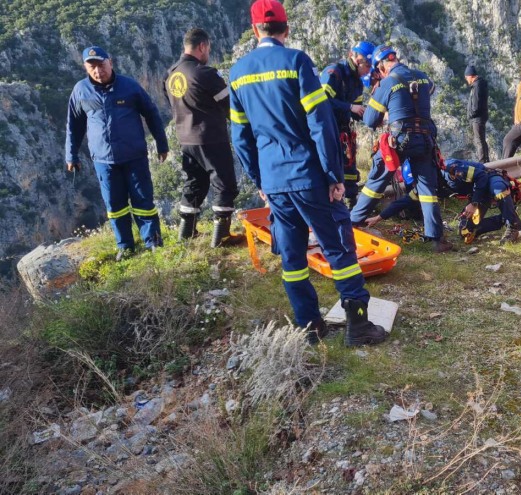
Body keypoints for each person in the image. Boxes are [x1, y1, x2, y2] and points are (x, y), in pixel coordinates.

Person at [228, 0, 386, 347]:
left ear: (255, 31)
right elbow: (320, 123)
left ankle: (309, 326)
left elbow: (241, 139)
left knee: (293, 257)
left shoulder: (238, 73)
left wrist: (261, 182)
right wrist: (334, 176)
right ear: (286, 30)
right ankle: (357, 326)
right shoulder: (296, 61)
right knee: (339, 248)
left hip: (274, 179)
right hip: (308, 174)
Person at [65, 46, 168, 261]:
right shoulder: (80, 91)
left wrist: (161, 143)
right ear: (85, 67)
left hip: (134, 156)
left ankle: (153, 241)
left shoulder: (129, 86)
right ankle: (125, 246)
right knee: (115, 206)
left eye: (101, 65)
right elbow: (73, 126)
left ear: (110, 62)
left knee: (143, 201)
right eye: (91, 66)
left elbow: (151, 113)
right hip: (104, 161)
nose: (97, 71)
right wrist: (71, 155)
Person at [350, 44, 453, 253]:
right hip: (426, 138)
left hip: (400, 138)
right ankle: (437, 239)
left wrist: (386, 108)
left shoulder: (388, 82)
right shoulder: (423, 77)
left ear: (381, 67)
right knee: (426, 188)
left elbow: (370, 120)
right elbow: (428, 90)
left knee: (377, 178)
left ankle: (353, 221)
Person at [164, 28, 240, 247]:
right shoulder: (204, 73)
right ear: (202, 46)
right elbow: (230, 108)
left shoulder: (171, 74)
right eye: (208, 48)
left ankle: (186, 235)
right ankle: (221, 238)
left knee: (194, 183)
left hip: (185, 139)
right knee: (224, 184)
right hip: (210, 137)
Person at [320, 41, 374, 209]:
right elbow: (322, 101)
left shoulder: (357, 82)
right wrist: (350, 107)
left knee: (349, 168)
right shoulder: (334, 73)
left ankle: (351, 204)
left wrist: (371, 114)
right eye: (368, 66)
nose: (368, 71)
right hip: (327, 129)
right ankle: (329, 205)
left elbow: (356, 111)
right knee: (329, 168)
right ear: (358, 60)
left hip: (343, 130)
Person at [444, 159, 521, 245]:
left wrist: (474, 203)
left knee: (499, 190)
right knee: (465, 232)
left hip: (488, 177)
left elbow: (481, 176)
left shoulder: (451, 166)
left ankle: (514, 226)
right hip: (479, 193)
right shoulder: (433, 180)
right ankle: (505, 218)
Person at [465, 64, 489, 162]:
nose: (467, 80)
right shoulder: (478, 84)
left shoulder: (477, 85)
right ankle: (486, 159)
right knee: (481, 139)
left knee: (479, 141)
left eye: (466, 78)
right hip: (479, 116)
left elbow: (476, 103)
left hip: (477, 117)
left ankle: (483, 161)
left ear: (470, 76)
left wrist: (471, 114)